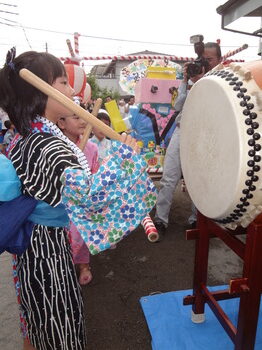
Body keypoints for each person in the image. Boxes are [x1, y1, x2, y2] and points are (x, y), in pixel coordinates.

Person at [0, 48, 156, 350]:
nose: (71, 91)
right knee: (60, 325)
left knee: (42, 322)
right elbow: (90, 196)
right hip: (46, 250)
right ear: (40, 89)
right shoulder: (45, 144)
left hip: (35, 245)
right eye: (62, 82)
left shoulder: (26, 133)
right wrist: (125, 158)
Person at [154, 42, 222, 238]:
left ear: (219, 60)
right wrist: (186, 81)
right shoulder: (190, 79)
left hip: (204, 136)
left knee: (198, 180)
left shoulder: (222, 80)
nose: (204, 63)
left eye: (209, 59)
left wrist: (204, 80)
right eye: (202, 60)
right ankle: (160, 220)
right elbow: (177, 106)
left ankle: (195, 220)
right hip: (181, 131)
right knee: (168, 178)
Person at [57, 113, 99, 285]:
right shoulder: (55, 147)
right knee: (65, 239)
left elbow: (95, 171)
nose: (83, 121)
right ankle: (64, 267)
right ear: (61, 123)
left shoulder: (91, 147)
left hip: (83, 202)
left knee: (81, 235)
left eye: (83, 116)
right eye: (75, 117)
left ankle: (84, 266)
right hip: (61, 202)